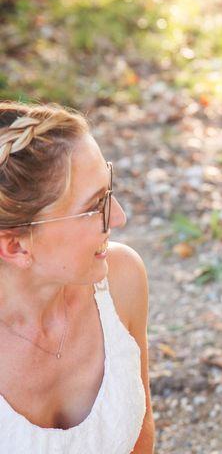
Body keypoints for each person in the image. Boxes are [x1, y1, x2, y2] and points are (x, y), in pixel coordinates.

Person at [0, 102, 154, 453]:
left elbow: (141, 437)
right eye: (92, 207)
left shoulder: (121, 280)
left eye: (108, 191)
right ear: (14, 245)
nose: (119, 218)